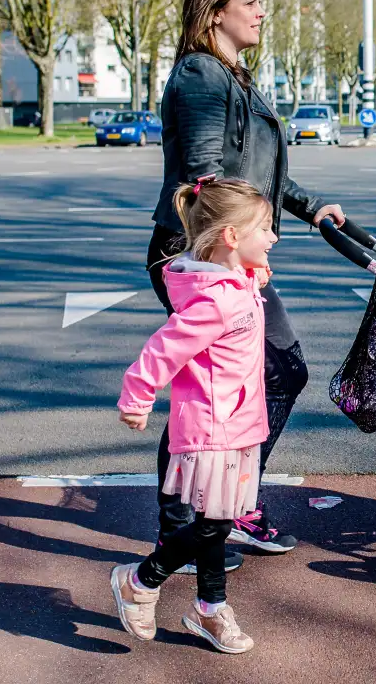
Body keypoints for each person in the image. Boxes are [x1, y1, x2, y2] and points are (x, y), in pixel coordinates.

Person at [148, 0, 345, 567]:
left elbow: (253, 176)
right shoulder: (203, 79)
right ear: (215, 13)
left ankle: (224, 507)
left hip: (229, 248)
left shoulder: (231, 76)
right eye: (251, 2)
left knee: (271, 376)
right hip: (201, 252)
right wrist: (233, 256)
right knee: (218, 389)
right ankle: (186, 528)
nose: (262, 11)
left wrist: (310, 208)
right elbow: (210, 181)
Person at [112, 179, 276, 653]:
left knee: (215, 521)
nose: (273, 238)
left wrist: (256, 269)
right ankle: (140, 581)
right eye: (264, 229)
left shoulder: (238, 281)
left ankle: (209, 610)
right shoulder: (217, 299)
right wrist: (137, 397)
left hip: (238, 421)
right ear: (230, 236)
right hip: (213, 426)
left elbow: (248, 277)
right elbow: (163, 349)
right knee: (215, 525)